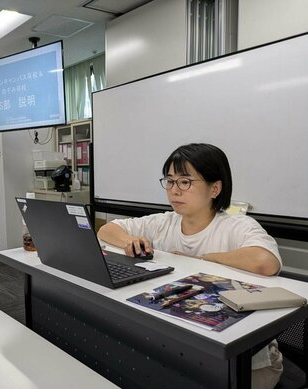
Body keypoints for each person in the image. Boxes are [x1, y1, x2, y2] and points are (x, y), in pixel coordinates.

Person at [97, 143, 283, 389]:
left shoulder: (238, 226)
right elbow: (107, 229)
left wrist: (203, 259)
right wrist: (130, 241)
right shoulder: (165, 221)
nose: (174, 191)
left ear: (215, 188)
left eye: (185, 182)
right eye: (170, 181)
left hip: (247, 364)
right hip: (187, 344)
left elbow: (265, 262)